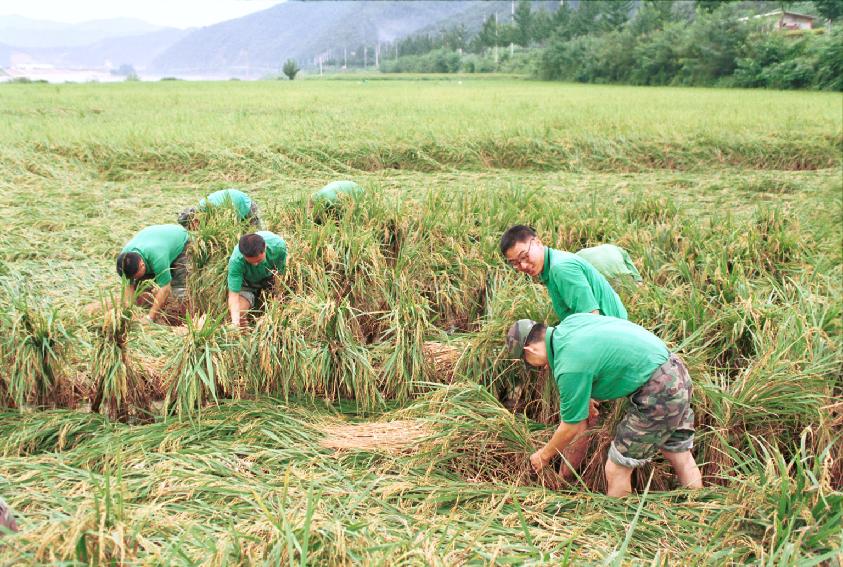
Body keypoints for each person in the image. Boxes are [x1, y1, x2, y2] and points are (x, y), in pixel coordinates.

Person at [506, 315, 702, 497]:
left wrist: (544, 455)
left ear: (529, 350)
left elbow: (570, 428)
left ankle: (619, 528)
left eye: (530, 364)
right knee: (678, 453)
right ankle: (699, 509)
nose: (538, 368)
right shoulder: (571, 323)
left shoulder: (569, 366)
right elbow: (598, 352)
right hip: (676, 371)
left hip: (658, 389)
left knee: (616, 468)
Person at [500, 225, 627, 322]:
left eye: (524, 256)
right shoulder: (551, 267)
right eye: (515, 263)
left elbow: (592, 317)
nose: (523, 266)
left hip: (611, 335)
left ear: (537, 243)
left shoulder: (561, 268)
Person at [115, 224, 190, 323]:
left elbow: (165, 288)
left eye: (134, 277)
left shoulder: (158, 257)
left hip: (180, 240)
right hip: (154, 239)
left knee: (178, 288)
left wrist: (150, 317)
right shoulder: (125, 260)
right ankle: (152, 307)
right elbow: (129, 286)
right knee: (142, 289)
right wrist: (129, 312)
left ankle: (187, 320)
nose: (132, 279)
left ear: (142, 265)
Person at [227, 231, 287, 327]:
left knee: (281, 303)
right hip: (248, 283)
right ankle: (244, 337)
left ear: (265, 248)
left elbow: (280, 274)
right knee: (240, 313)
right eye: (251, 262)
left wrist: (277, 295)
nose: (255, 264)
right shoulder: (236, 261)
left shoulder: (279, 247)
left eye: (258, 261)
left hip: (270, 276)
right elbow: (233, 295)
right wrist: (235, 321)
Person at [178, 188, 261, 229]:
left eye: (191, 228)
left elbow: (228, 229)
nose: (195, 230)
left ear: (194, 220)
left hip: (243, 203)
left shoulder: (212, 211)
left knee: (254, 236)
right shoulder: (203, 210)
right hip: (232, 202)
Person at [576, 244, 643, 284]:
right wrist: (639, 280)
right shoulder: (614, 247)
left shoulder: (578, 255)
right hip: (624, 279)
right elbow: (630, 264)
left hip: (601, 282)